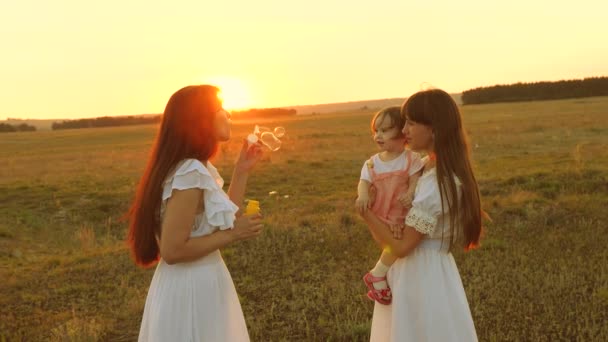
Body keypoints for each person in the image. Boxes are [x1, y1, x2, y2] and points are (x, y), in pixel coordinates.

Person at [127, 85, 264, 342]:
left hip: (198, 281)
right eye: (220, 108)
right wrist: (235, 234)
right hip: (191, 288)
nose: (228, 113)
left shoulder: (197, 167)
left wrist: (241, 170)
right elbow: (173, 250)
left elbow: (222, 220)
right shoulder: (190, 171)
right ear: (201, 119)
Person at [359, 89, 483, 341]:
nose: (403, 130)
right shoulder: (427, 169)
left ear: (434, 128)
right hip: (417, 271)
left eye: (411, 123)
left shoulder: (438, 183)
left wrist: (366, 213)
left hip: (422, 276)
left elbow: (402, 246)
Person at [355, 106, 423, 304]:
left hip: (400, 212)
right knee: (394, 244)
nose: (378, 135)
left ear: (402, 132)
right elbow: (364, 182)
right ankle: (379, 274)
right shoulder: (372, 163)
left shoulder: (411, 159)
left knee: (398, 242)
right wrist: (363, 196)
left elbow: (415, 180)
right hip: (381, 213)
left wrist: (410, 193)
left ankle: (381, 274)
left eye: (385, 130)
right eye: (376, 131)